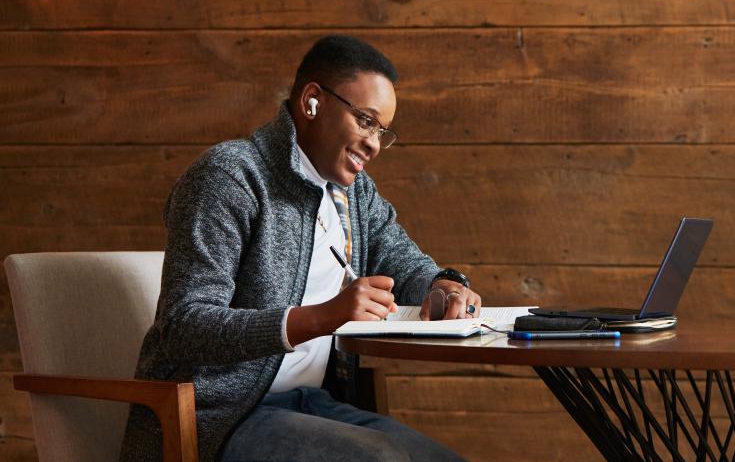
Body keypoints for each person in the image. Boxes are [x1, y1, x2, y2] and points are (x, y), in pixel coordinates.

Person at [119, 35, 479, 462]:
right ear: (312, 101)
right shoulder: (230, 177)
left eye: (383, 131)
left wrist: (447, 285)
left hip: (310, 403)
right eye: (365, 121)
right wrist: (321, 318)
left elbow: (403, 261)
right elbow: (184, 326)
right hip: (220, 416)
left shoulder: (355, 194)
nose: (375, 144)